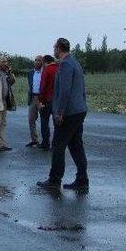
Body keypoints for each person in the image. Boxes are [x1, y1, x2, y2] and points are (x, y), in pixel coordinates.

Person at [37, 38, 88, 190]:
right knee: (76, 145)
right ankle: (82, 180)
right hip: (79, 110)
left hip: (69, 113)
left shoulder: (65, 64)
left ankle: (54, 180)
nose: (54, 50)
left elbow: (64, 90)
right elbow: (82, 88)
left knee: (58, 145)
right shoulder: (75, 63)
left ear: (59, 48)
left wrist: (59, 112)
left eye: (55, 47)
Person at [37, 54, 59, 151]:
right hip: (58, 101)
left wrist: (41, 101)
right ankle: (56, 144)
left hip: (47, 100)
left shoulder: (46, 70)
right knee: (57, 124)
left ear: (45, 62)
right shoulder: (59, 69)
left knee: (44, 122)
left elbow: (43, 87)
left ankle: (45, 143)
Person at [25, 56, 43, 147]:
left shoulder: (45, 72)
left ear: (42, 62)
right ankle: (34, 140)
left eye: (39, 60)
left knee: (44, 119)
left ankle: (45, 141)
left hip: (42, 98)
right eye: (35, 60)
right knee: (31, 119)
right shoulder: (30, 73)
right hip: (33, 97)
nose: (36, 62)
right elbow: (30, 85)